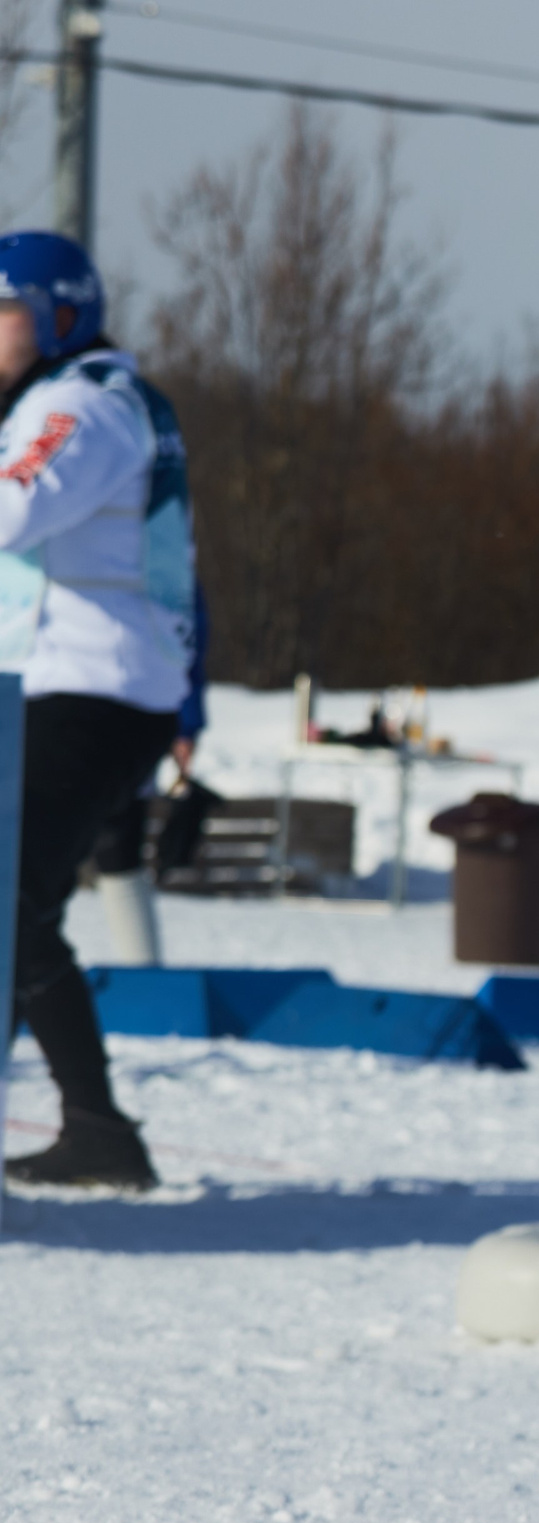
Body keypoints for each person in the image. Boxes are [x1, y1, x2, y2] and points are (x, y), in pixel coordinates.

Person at [2, 232, 198, 1190]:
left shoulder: (82, 406)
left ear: (60, 318)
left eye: (4, 314)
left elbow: (12, 508)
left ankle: (100, 1130)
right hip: (78, 688)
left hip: (90, 693)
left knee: (10, 906)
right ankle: (97, 1127)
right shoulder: (92, 401)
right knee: (14, 909)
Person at [90, 578, 209, 967]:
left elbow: (184, 627)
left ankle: (143, 973)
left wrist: (186, 723)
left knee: (118, 852)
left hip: (123, 713)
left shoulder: (158, 552)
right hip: (39, 707)